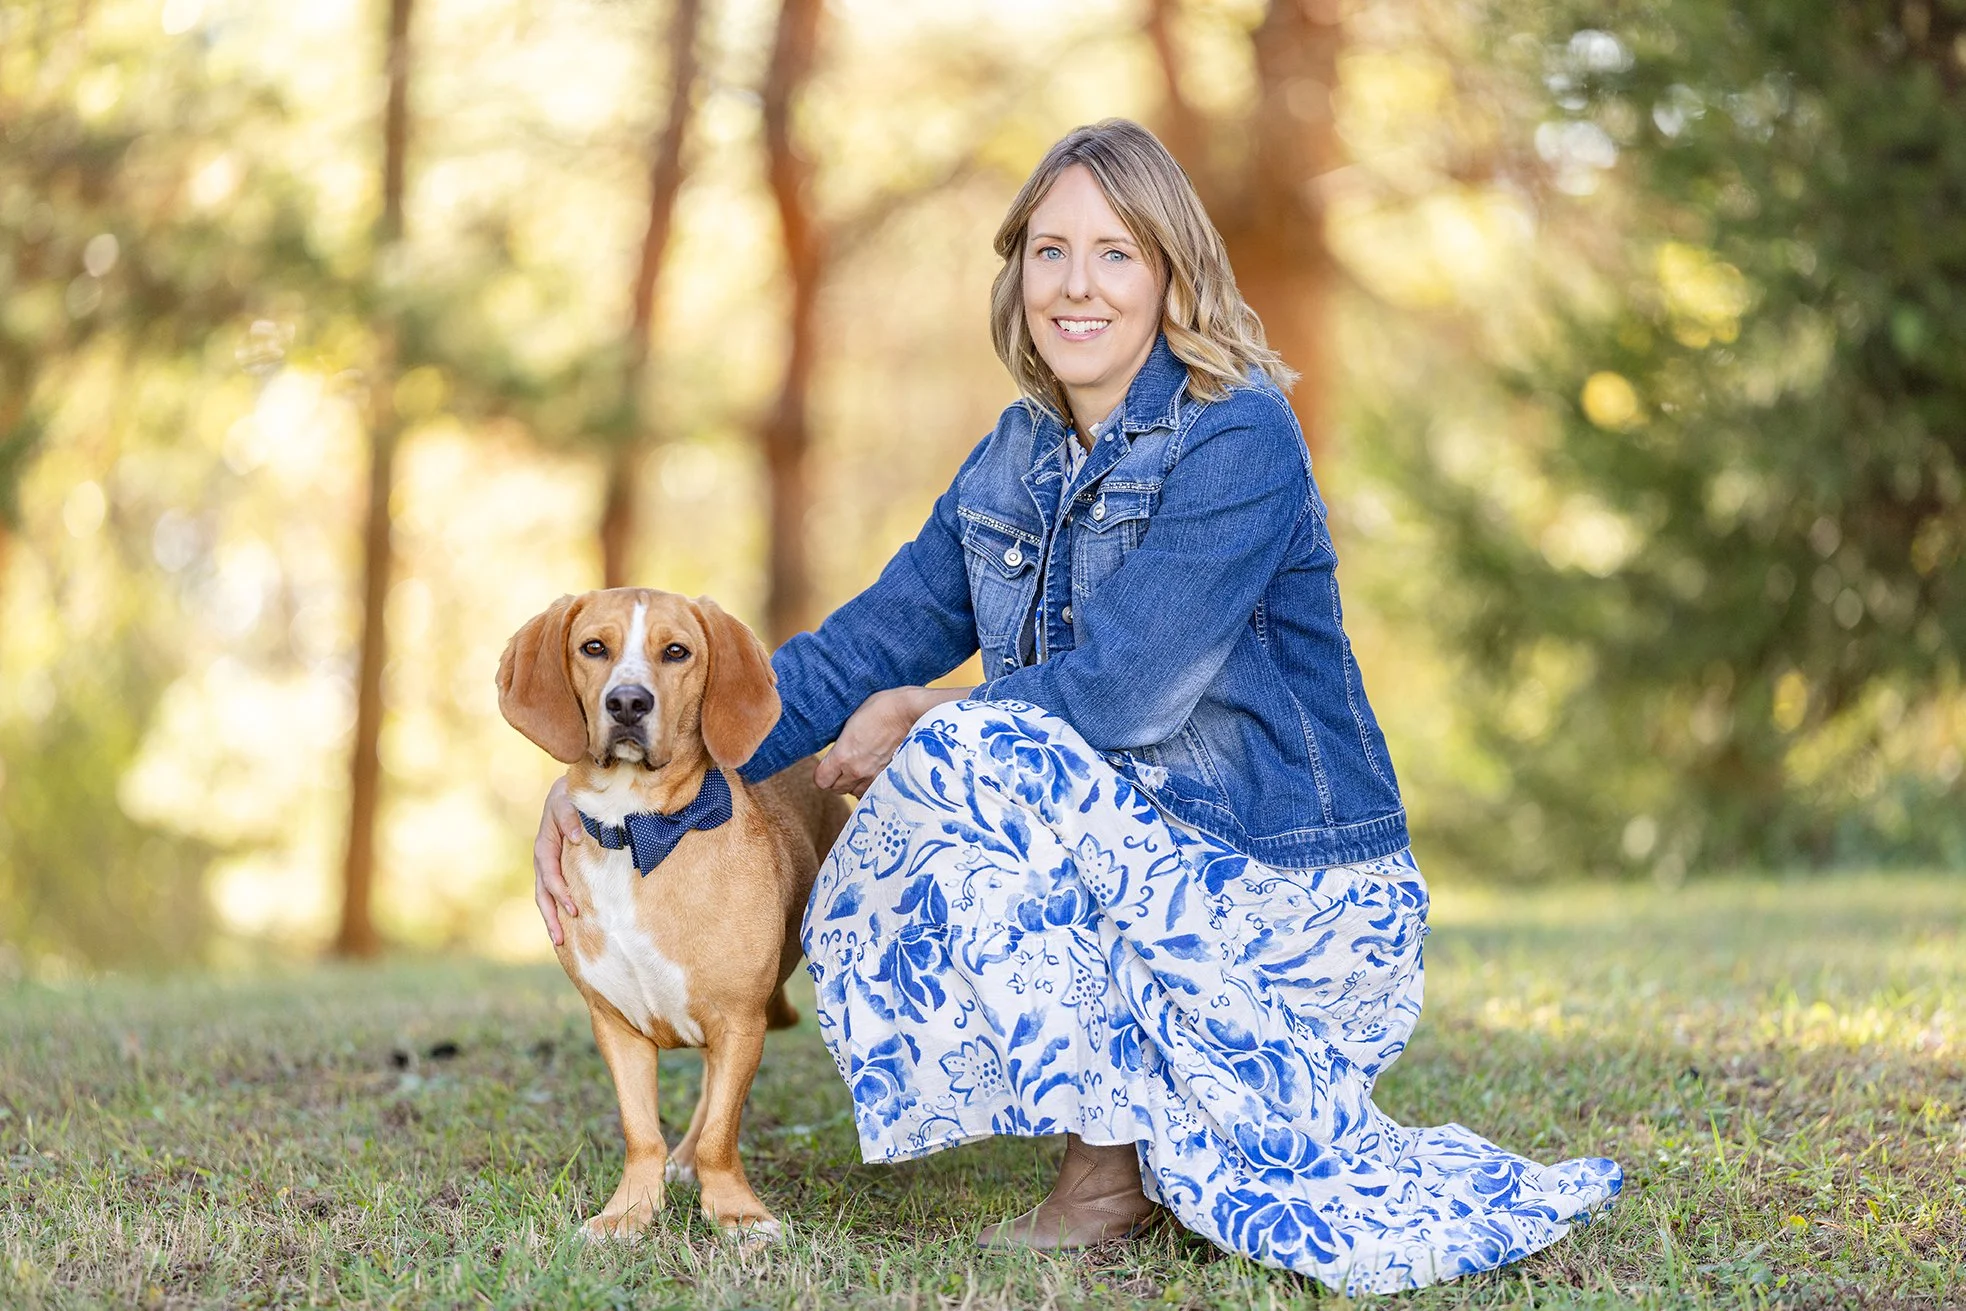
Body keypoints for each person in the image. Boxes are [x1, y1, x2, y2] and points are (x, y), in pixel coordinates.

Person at [532, 119, 1621, 1295]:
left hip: (1292, 893)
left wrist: (924, 720)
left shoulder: (1240, 433)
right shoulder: (1012, 461)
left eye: (1115, 252)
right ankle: (1118, 1153)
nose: (1076, 284)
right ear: (1017, 275)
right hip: (1144, 863)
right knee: (944, 778)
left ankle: (1123, 1162)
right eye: (1049, 251)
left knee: (961, 758)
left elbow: (1124, 690)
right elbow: (856, 653)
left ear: (1171, 272)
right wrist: (624, 777)